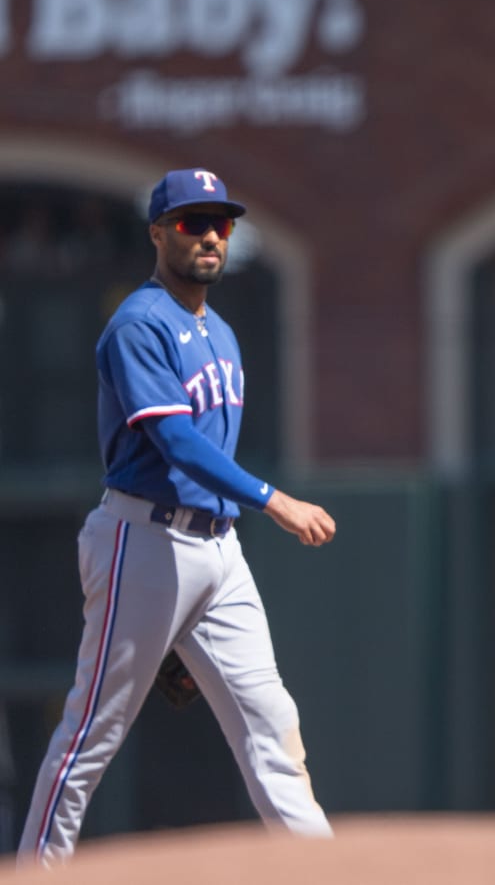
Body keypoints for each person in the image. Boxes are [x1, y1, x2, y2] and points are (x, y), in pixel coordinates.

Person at [18, 168, 336, 866]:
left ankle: (323, 872)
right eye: (192, 222)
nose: (210, 236)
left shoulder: (218, 329)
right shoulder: (139, 324)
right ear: (158, 232)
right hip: (144, 538)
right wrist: (273, 498)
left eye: (221, 223)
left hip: (217, 553)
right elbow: (177, 442)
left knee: (272, 723)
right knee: (91, 732)